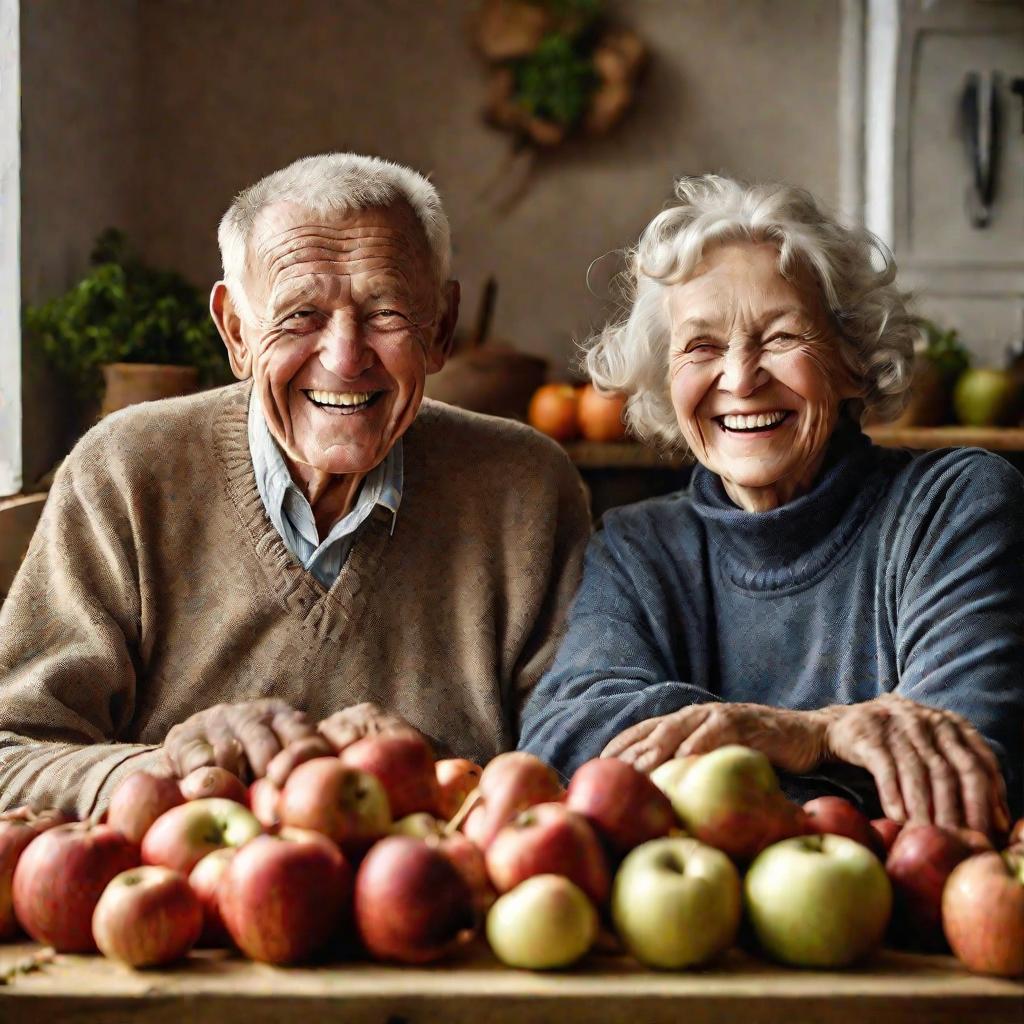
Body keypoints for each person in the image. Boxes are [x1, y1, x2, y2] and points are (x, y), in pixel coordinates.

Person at [0, 153, 590, 816]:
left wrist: (410, 772)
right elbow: (11, 750)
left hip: (442, 906)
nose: (344, 358)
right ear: (235, 333)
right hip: (191, 903)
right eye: (301, 315)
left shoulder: (528, 488)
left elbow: (577, 758)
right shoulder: (125, 471)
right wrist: (166, 767)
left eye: (387, 312)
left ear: (442, 329)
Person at [519, 175, 1023, 834]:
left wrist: (801, 736)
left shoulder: (955, 506)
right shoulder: (638, 547)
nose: (739, 378)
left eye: (781, 337)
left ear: (851, 360)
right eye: (701, 346)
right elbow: (561, 743)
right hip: (695, 929)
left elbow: (966, 768)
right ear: (666, 378)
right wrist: (811, 736)